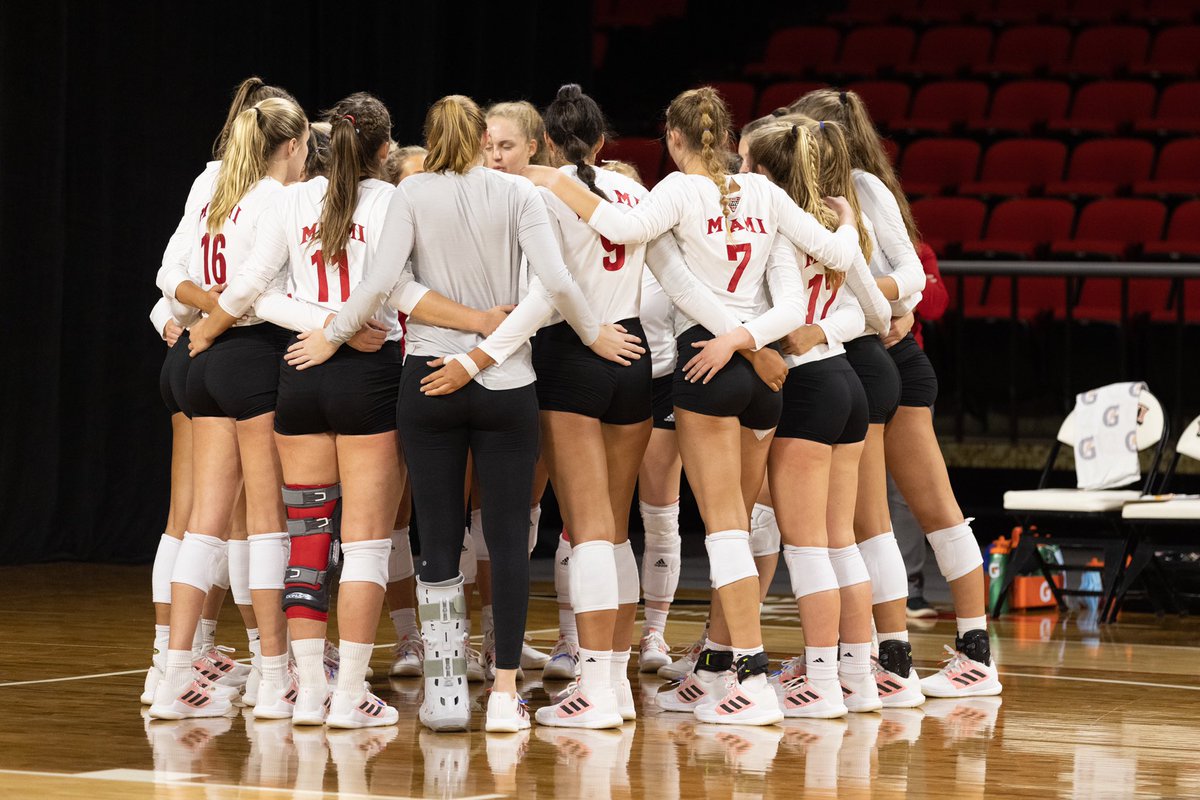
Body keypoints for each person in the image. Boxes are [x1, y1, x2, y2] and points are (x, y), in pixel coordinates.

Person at [283, 94, 640, 732]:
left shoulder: (409, 196)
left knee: (437, 537)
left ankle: (447, 691)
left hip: (428, 380)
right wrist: (591, 335)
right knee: (506, 540)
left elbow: (383, 286)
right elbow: (555, 285)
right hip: (508, 381)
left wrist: (332, 334)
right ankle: (505, 692)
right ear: (480, 139)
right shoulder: (519, 195)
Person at [524, 86, 865, 726]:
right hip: (763, 372)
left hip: (709, 366)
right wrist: (752, 337)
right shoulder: (765, 194)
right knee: (750, 527)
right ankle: (723, 673)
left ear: (674, 138)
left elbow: (625, 233)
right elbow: (808, 289)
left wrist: (552, 179)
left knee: (727, 532)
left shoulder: (678, 191)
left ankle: (752, 678)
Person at [793, 88, 1001, 698]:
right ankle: (958, 654)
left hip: (883, 361)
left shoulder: (861, 189)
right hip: (887, 356)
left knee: (886, 520)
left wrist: (875, 302)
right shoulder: (853, 191)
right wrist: (887, 304)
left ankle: (906, 662)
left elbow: (914, 280)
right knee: (912, 514)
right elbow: (904, 288)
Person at [149, 95, 310, 720]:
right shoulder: (281, 198)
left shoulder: (213, 183)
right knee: (266, 521)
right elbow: (263, 295)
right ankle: (274, 677)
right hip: (249, 354)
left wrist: (206, 316)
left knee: (202, 524)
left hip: (197, 359)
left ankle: (174, 674)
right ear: (293, 146)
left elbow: (170, 273)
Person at [747, 118, 894, 717]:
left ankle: (822, 682)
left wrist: (783, 342)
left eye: (745, 163)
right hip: (848, 384)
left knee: (807, 546)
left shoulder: (773, 225)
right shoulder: (836, 224)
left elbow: (778, 311)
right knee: (839, 543)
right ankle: (855, 677)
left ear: (763, 172)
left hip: (807, 386)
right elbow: (882, 312)